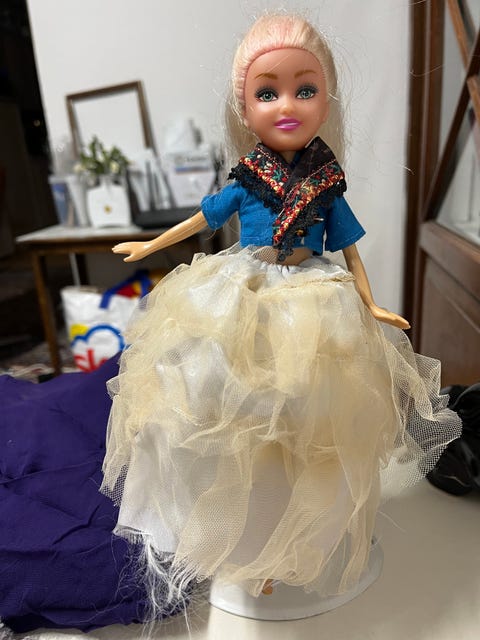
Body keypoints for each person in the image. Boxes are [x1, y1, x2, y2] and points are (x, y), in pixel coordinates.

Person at [101, 14, 461, 617]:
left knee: (315, 420)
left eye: (305, 89)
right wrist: (149, 245)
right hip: (242, 290)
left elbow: (348, 248)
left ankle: (303, 541)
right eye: (267, 93)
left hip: (317, 299)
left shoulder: (326, 183)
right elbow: (205, 218)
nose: (287, 105)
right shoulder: (249, 178)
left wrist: (371, 304)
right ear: (245, 109)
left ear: (327, 99)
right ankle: (249, 546)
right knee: (223, 406)